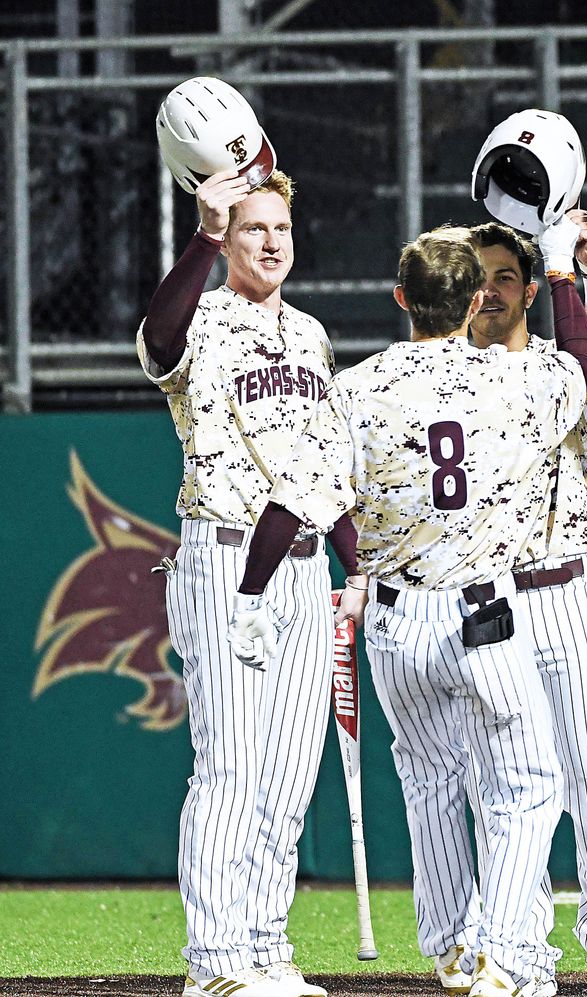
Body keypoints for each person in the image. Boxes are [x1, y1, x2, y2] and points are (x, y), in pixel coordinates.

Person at [228, 224, 587, 997]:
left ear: (402, 299)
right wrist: (559, 270)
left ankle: (450, 948)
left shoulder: (356, 388)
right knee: (529, 786)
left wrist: (249, 596)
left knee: (430, 781)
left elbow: (287, 504)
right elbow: (585, 370)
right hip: (483, 614)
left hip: (397, 621)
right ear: (473, 302)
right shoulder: (513, 378)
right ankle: (499, 950)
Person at [427, 213, 587, 997]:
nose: (491, 289)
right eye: (478, 276)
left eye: (505, 276)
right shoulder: (445, 378)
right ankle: (519, 949)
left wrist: (584, 268)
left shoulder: (571, 368)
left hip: (570, 589)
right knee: (501, 783)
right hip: (487, 596)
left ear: (531, 289)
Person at [137, 167, 365, 997]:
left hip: (305, 566)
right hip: (224, 553)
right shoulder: (200, 316)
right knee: (229, 767)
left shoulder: (311, 335)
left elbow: (324, 461)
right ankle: (216, 961)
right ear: (228, 241)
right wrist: (201, 233)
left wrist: (356, 562)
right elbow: (159, 343)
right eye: (253, 229)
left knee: (290, 771)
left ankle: (266, 946)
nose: (270, 242)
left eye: (280, 229)